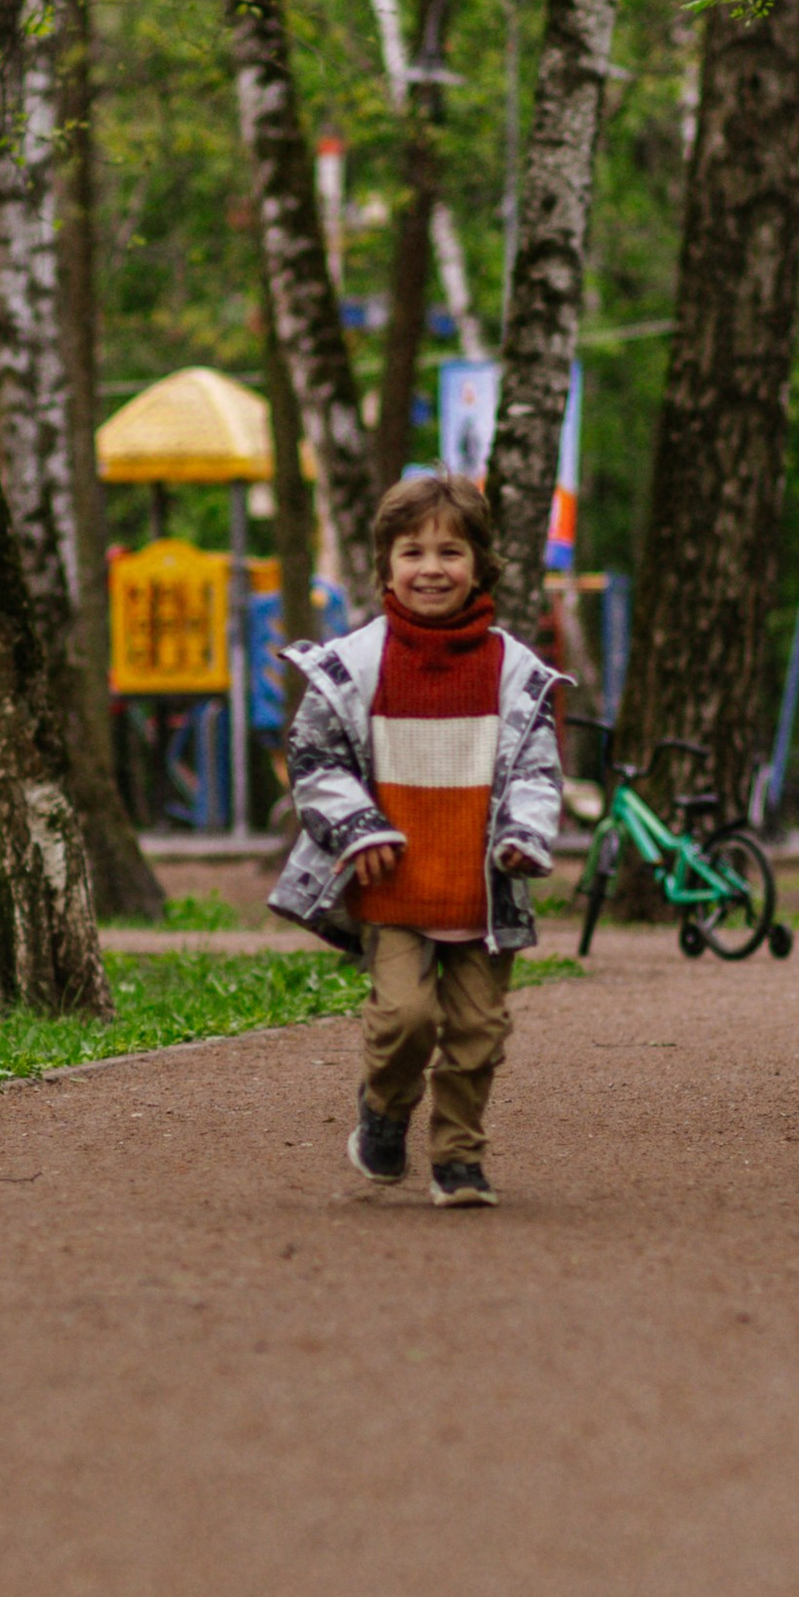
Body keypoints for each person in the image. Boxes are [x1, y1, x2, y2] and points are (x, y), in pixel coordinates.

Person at [267, 471, 565, 1209]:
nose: (432, 568)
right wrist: (357, 827)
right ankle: (385, 1108)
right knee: (406, 1017)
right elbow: (316, 759)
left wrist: (525, 836)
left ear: (480, 566)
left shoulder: (513, 671)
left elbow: (536, 767)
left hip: (480, 885)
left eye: (450, 552)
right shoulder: (357, 666)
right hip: (391, 885)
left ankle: (459, 1157)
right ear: (386, 567)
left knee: (476, 1030)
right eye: (412, 552)